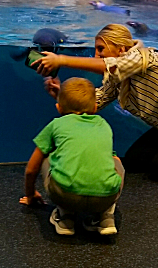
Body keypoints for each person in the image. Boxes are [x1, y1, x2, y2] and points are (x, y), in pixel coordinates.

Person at [34, 24, 158, 182]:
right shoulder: (118, 77)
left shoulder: (142, 57)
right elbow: (94, 103)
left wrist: (61, 59)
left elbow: (112, 67)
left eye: (101, 49)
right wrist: (62, 97)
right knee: (134, 162)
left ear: (122, 49)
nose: (96, 55)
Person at [19, 77, 124, 236]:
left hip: (65, 196)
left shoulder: (55, 124)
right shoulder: (103, 124)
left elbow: (31, 169)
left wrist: (30, 194)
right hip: (104, 197)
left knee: (46, 157)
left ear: (58, 108)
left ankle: (65, 217)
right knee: (116, 161)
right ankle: (105, 216)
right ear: (95, 108)